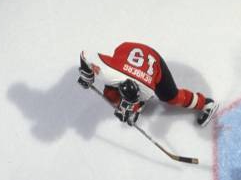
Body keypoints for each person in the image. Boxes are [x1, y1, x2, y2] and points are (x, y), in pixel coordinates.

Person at [77, 42, 218, 126]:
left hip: (153, 62)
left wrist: (132, 109)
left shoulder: (147, 90)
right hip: (127, 58)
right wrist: (88, 73)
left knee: (171, 97)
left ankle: (206, 103)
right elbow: (85, 56)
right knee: (111, 96)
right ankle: (129, 101)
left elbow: (85, 54)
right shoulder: (106, 73)